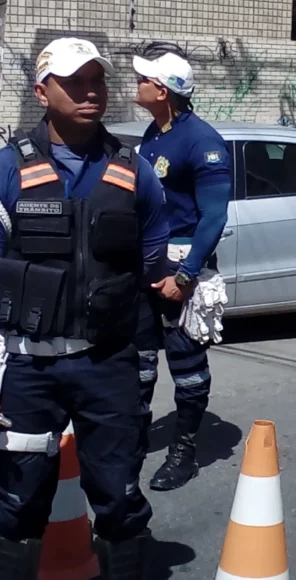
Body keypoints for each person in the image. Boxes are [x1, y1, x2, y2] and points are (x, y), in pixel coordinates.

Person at [0, 38, 169, 579]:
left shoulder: (134, 170)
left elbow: (153, 265)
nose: (89, 92)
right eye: (74, 82)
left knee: (119, 498)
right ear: (42, 91)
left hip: (108, 363)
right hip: (28, 365)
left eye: (96, 80)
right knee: (17, 500)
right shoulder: (7, 169)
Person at [131, 52, 232, 491]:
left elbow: (213, 218)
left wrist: (185, 278)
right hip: (144, 270)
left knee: (187, 366)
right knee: (137, 363)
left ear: (164, 90)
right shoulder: (155, 134)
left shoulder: (201, 141)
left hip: (181, 275)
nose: (136, 82)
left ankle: (183, 452)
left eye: (144, 78)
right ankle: (133, 440)